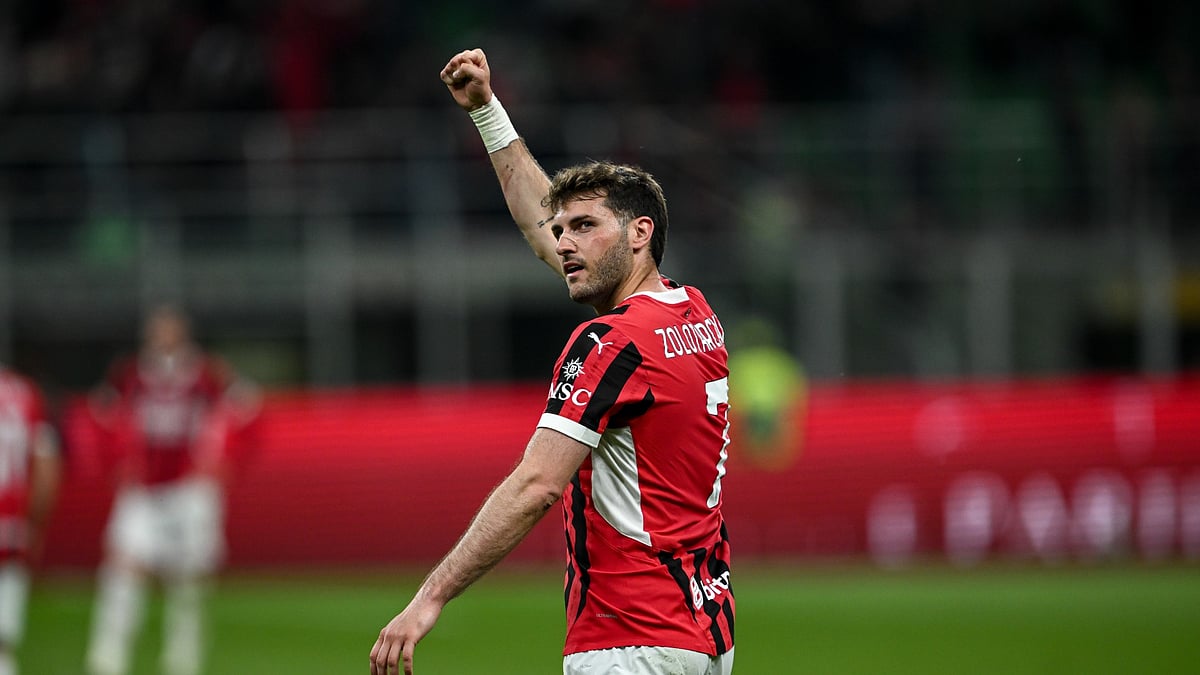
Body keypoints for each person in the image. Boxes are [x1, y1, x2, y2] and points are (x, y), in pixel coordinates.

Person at [370, 49, 735, 675]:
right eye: (561, 229)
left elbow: (537, 485)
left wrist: (429, 598)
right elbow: (551, 230)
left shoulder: (611, 343)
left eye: (584, 226)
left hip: (629, 641)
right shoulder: (695, 315)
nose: (562, 243)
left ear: (639, 233)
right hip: (705, 633)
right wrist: (487, 112)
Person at [84, 304, 259, 675]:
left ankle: (182, 660)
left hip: (189, 490)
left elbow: (248, 407)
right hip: (144, 489)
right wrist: (114, 462)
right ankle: (108, 657)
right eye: (157, 329)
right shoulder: (131, 373)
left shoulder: (204, 372)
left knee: (188, 577)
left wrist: (226, 460)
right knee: (122, 567)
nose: (163, 336)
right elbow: (100, 413)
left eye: (170, 328)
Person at [0, 363, 62, 675]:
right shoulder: (25, 394)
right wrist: (34, 525)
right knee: (3, 642)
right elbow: (47, 467)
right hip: (11, 528)